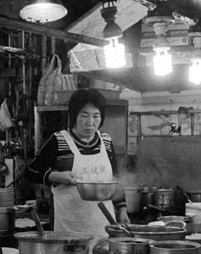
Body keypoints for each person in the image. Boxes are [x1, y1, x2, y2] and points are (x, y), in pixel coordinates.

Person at [25, 89, 129, 244]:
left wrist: (122, 209)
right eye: (84, 115)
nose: (90, 122)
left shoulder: (106, 141)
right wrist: (55, 176)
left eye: (96, 116)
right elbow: (30, 172)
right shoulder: (59, 141)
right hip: (70, 227)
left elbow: (115, 177)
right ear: (74, 116)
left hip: (103, 226)